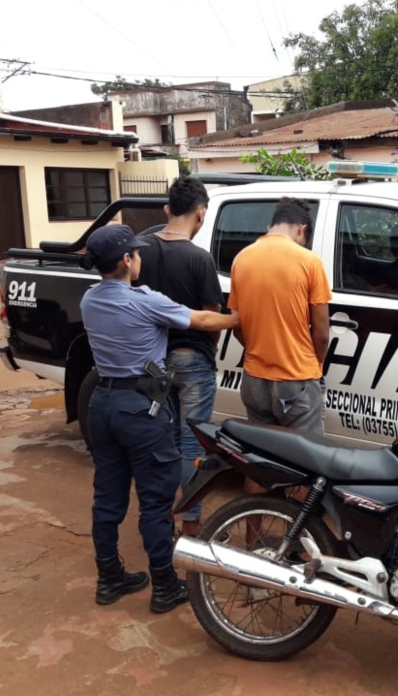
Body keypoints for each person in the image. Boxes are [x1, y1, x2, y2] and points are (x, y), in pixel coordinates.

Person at [79, 224, 238, 614]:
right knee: (154, 499)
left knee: (107, 497)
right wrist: (240, 319)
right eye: (136, 253)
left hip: (102, 404)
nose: (140, 258)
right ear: (126, 260)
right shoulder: (144, 301)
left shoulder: (89, 300)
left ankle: (109, 577)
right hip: (140, 408)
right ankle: (165, 585)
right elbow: (203, 321)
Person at [136, 175, 221, 538]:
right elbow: (211, 317)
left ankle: (162, 518)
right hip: (191, 358)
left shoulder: (139, 251)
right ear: (200, 214)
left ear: (167, 209)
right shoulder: (199, 258)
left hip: (153, 362)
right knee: (192, 443)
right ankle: (191, 523)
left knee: (165, 441)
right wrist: (210, 348)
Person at [228, 197, 332, 435]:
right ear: (301, 229)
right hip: (297, 377)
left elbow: (237, 325)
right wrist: (315, 365)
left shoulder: (241, 258)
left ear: (270, 227)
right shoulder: (309, 261)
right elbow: (322, 333)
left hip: (254, 380)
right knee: (306, 453)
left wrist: (259, 350)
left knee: (261, 451)